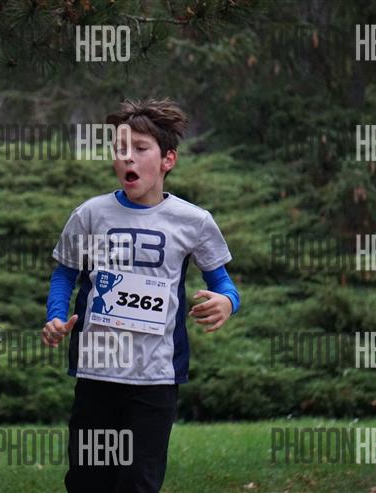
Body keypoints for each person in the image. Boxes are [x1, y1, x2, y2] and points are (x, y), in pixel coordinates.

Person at [42, 98, 241, 493]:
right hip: (97, 372)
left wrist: (226, 303)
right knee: (88, 482)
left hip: (155, 378)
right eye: (120, 149)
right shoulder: (90, 215)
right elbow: (65, 273)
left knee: (138, 482)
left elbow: (224, 284)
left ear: (168, 159)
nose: (127, 157)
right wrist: (55, 315)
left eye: (140, 148)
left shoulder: (193, 221)